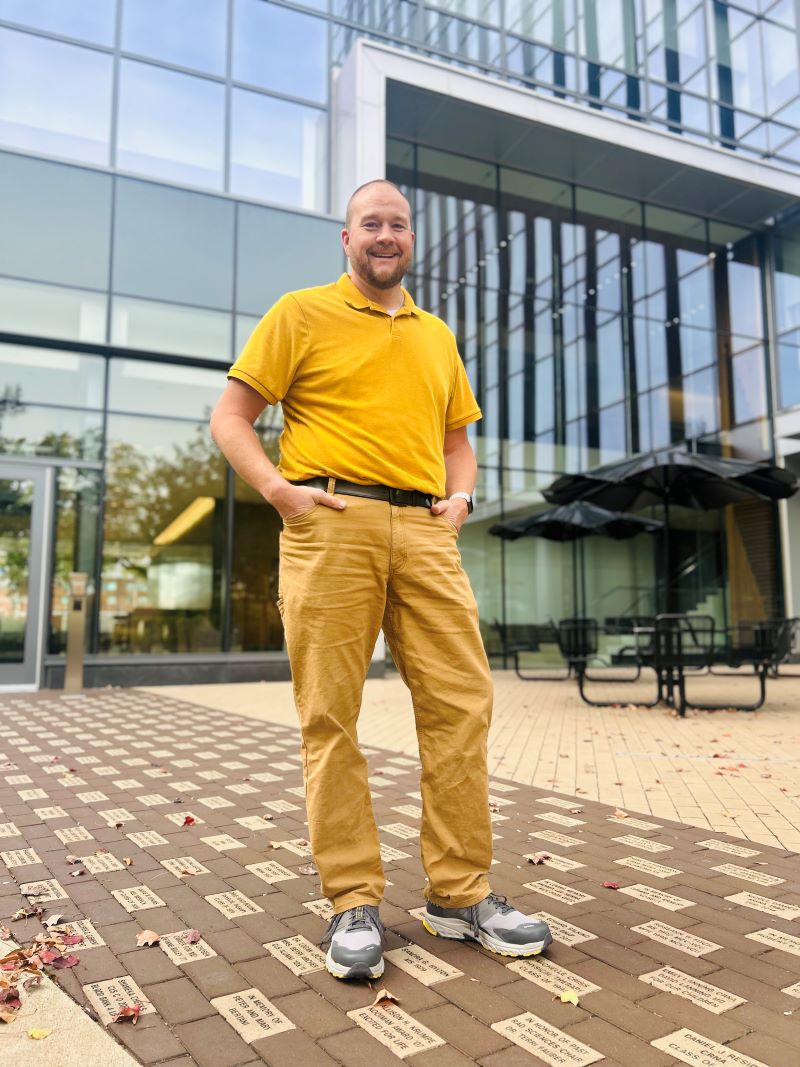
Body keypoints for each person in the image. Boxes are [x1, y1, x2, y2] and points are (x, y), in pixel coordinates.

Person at [210, 179, 552, 979]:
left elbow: (456, 440)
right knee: (330, 713)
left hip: (427, 531)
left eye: (398, 223)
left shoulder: (437, 334)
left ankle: (459, 892)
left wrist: (461, 496)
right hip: (333, 522)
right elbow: (233, 415)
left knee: (461, 704)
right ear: (347, 237)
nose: (386, 235)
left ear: (410, 238)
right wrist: (280, 492)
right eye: (372, 222)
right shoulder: (300, 313)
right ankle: (352, 898)